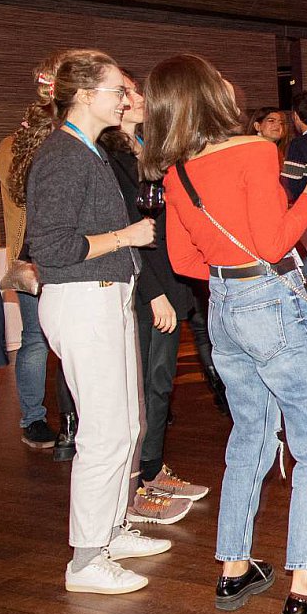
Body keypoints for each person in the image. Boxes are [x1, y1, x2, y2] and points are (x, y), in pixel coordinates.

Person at [145, 52, 307, 614]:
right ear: (207, 94)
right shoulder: (253, 151)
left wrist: (233, 272)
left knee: (249, 436)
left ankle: (234, 567)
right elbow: (274, 244)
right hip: (271, 304)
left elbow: (183, 261)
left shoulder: (177, 173)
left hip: (224, 306)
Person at [24, 49, 165, 595]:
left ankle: (111, 530)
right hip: (83, 300)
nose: (127, 98)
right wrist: (126, 237)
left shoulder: (90, 151)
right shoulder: (64, 156)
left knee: (125, 427)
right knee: (104, 434)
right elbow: (51, 247)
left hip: (104, 298)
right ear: (84, 95)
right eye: (117, 90)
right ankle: (85, 560)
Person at [100, 76, 206, 523]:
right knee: (143, 388)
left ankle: (153, 469)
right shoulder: (109, 156)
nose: (139, 98)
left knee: (159, 384)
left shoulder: (148, 148)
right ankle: (140, 483)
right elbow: (127, 230)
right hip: (147, 285)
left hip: (169, 276)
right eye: (127, 91)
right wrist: (155, 291)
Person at [0, 60, 67, 453]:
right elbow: (22, 195)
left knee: (66, 339)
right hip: (32, 261)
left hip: (66, 255)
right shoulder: (13, 147)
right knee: (36, 339)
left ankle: (69, 417)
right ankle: (33, 418)